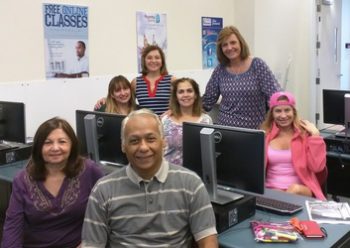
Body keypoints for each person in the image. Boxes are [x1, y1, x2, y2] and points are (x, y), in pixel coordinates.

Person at [82, 109, 218, 247]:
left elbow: (208, 242)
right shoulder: (103, 190)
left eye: (150, 139)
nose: (143, 147)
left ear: (164, 142)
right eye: (134, 141)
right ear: (123, 146)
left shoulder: (191, 184)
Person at [1, 117, 104, 248]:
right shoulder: (22, 180)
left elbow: (106, 215)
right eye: (48, 142)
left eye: (62, 142)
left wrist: (89, 243)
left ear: (72, 145)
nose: (55, 148)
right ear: (38, 147)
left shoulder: (90, 171)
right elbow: (12, 228)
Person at [202, 25, 282, 129]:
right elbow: (208, 100)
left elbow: (276, 97)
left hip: (254, 131)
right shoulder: (220, 70)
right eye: (224, 45)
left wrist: (289, 118)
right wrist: (182, 110)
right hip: (226, 131)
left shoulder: (257, 65)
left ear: (241, 43)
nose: (229, 48)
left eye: (233, 42)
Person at [260, 91, 327, 200]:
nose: (283, 115)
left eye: (287, 110)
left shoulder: (305, 134)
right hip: (271, 189)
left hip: (301, 189)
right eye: (278, 111)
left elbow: (317, 167)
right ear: (272, 114)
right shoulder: (264, 135)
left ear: (294, 112)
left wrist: (315, 136)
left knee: (294, 189)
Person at [95, 45, 175, 115]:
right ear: (144, 61)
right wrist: (107, 99)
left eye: (157, 58)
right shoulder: (136, 82)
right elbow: (124, 97)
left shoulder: (171, 80)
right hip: (144, 127)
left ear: (162, 61)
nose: (153, 61)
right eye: (149, 58)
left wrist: (173, 111)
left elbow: (185, 102)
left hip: (166, 127)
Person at [162, 77, 212, 166]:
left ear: (196, 95)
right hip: (170, 172)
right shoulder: (166, 120)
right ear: (176, 97)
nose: (185, 95)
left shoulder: (206, 121)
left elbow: (209, 151)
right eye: (181, 92)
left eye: (189, 91)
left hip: (197, 172)